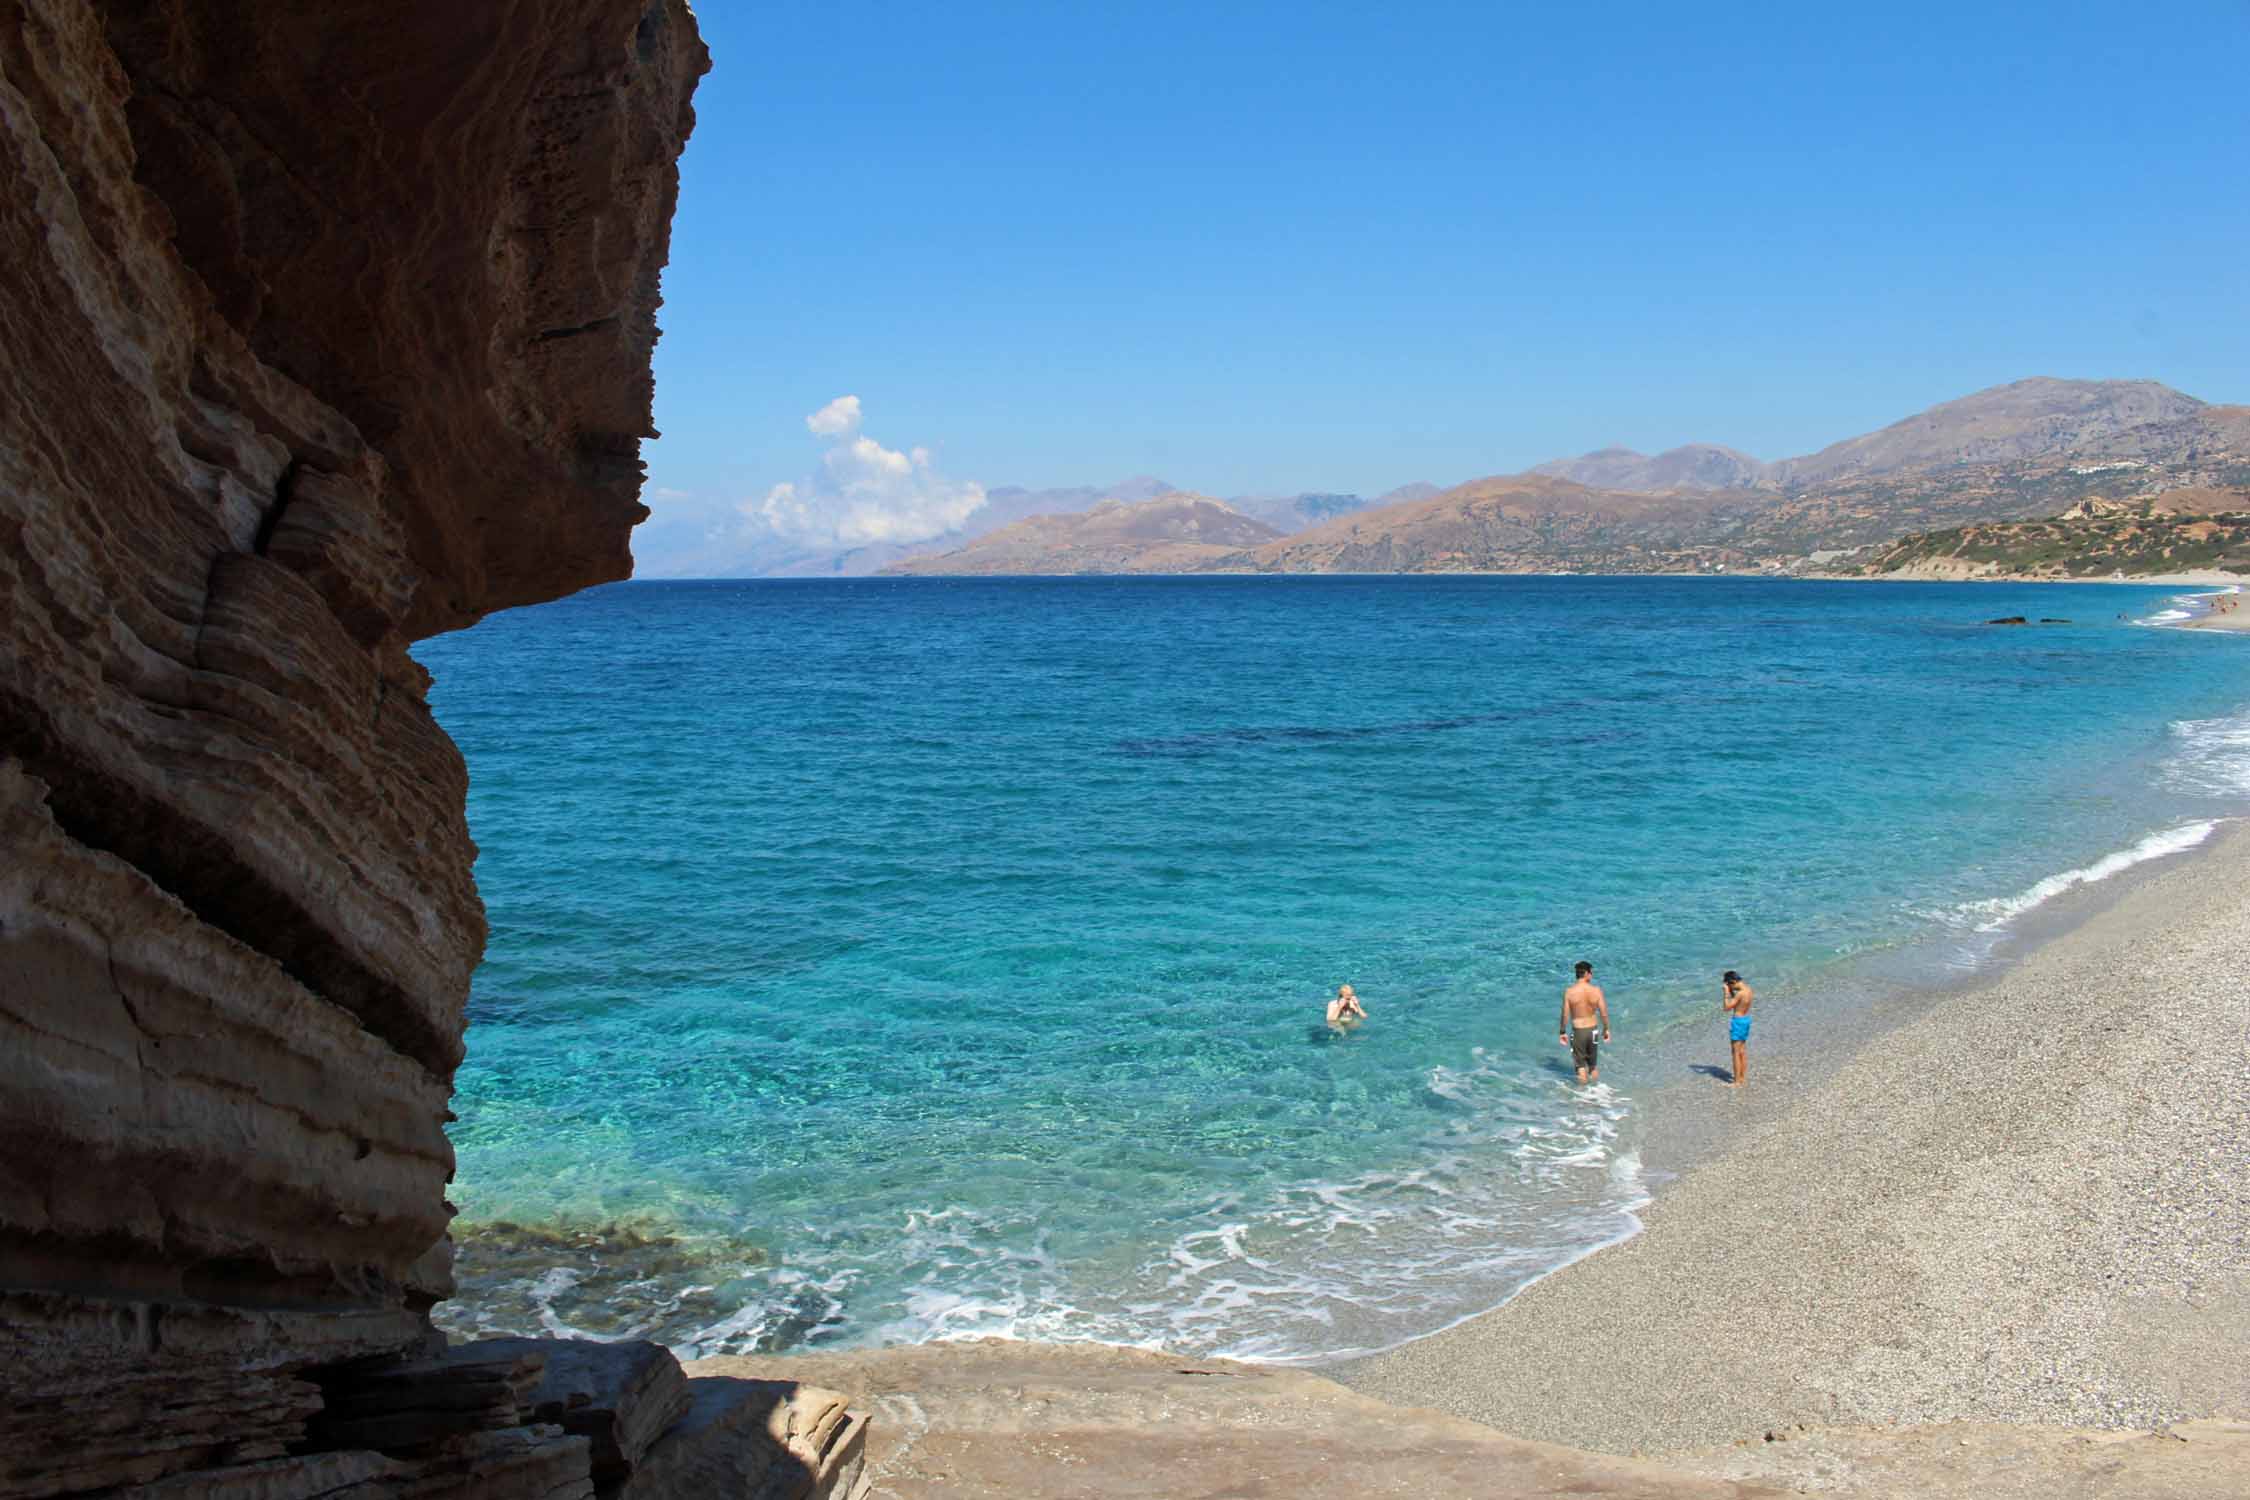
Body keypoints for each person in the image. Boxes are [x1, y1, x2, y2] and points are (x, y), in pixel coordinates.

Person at [1558, 961, 1610, 1084]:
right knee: (1593, 1066)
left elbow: (1565, 1014)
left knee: (1580, 1067)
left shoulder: (1569, 992)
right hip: (1593, 1031)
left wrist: (1562, 1031)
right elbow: (1603, 1013)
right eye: (1591, 972)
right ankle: (1598, 1092)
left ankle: (1583, 1099)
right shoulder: (1596, 990)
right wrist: (1606, 1029)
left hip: (1578, 1032)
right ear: (1586, 973)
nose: (1592, 975)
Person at [1720, 970, 1754, 1087]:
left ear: (1733, 982)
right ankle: (1742, 1077)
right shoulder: (1748, 990)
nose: (1730, 988)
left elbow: (1727, 1007)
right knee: (1742, 1051)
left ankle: (1736, 1081)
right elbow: (1738, 1002)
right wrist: (1731, 991)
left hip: (1738, 1022)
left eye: (1729, 985)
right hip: (1746, 1019)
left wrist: (1726, 993)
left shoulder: (1740, 994)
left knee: (1735, 1052)